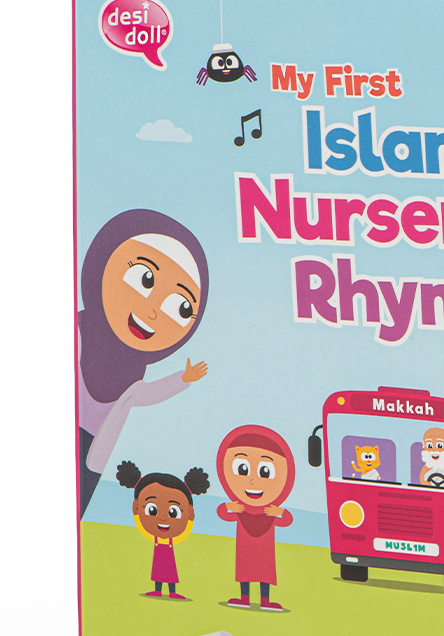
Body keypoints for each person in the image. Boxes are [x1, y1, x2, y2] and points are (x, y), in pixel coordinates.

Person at [77, 210, 209, 517]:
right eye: (144, 279)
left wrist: (182, 379)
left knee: (80, 497)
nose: (152, 312)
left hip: (95, 445)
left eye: (180, 307)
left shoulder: (134, 370)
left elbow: (144, 394)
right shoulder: (78, 331)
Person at [216, 425, 295, 612]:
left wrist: (279, 511)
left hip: (265, 552)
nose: (253, 481)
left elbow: (287, 520)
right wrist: (229, 506)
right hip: (245, 550)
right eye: (242, 469)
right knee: (245, 573)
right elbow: (223, 514)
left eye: (265, 472)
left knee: (264, 574)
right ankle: (244, 598)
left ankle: (265, 600)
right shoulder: (240, 510)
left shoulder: (269, 512)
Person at [116, 460, 210, 600]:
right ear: (137, 507)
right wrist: (136, 514)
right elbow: (142, 527)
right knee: (158, 572)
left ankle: (172, 591)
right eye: (152, 510)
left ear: (189, 511)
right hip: (159, 556)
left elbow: (185, 532)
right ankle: (158, 590)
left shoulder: (174, 537)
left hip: (169, 557)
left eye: (173, 512)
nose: (163, 519)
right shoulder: (153, 536)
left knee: (171, 574)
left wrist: (190, 519)